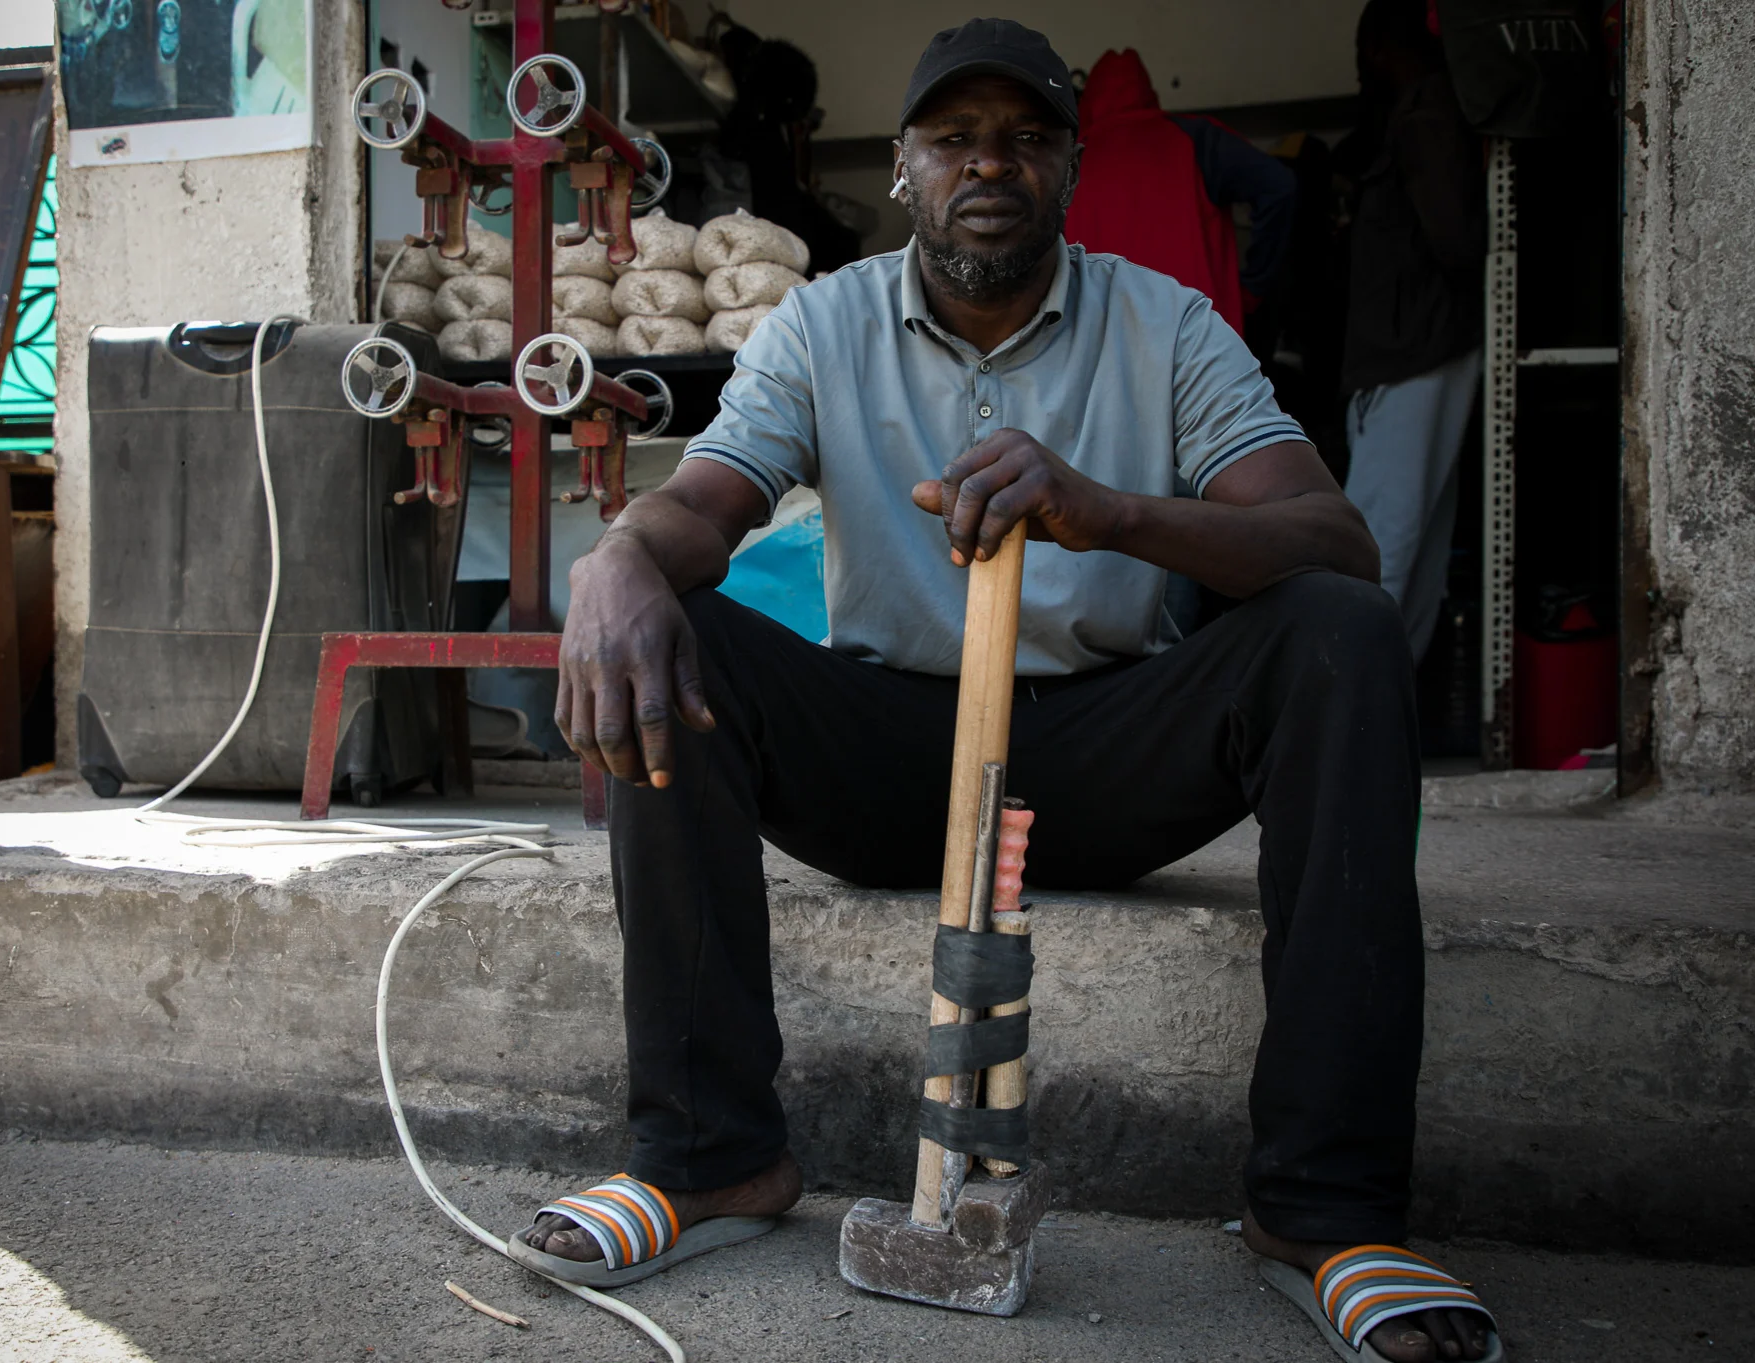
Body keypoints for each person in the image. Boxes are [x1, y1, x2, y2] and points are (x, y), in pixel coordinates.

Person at [512, 19, 1500, 1363]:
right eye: (954, 139)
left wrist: (1106, 512)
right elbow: (705, 499)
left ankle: (1326, 1212)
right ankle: (705, 1156)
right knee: (674, 625)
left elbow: (1332, 540)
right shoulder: (822, 319)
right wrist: (618, 561)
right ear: (908, 169)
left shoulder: (1166, 322)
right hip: (890, 760)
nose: (992, 164)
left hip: (1100, 755)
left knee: (1335, 630)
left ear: (1070, 171)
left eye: (1027, 138)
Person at [1339, 0, 1486, 661]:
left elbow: (1456, 241)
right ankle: (1380, 710)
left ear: (1382, 47)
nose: (1360, 64)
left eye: (1364, 47)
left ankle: (1348, 706)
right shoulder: (1423, 111)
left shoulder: (1424, 114)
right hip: (1422, 346)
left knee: (1376, 543)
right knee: (1408, 541)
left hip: (1412, 350)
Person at [1063, 47, 1296, 336]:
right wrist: (1252, 288)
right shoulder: (1196, 139)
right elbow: (1278, 186)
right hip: (1201, 350)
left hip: (1105, 356)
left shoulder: (1067, 162)